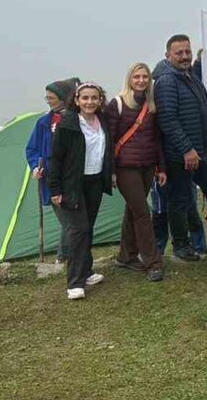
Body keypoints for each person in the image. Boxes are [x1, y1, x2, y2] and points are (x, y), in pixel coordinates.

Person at [154, 34, 207, 262]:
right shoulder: (166, 81)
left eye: (188, 51)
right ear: (168, 56)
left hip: (203, 149)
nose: (185, 56)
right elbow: (168, 120)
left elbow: (196, 70)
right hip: (181, 155)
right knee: (180, 200)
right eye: (179, 53)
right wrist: (187, 149)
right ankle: (181, 246)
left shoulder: (187, 75)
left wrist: (203, 59)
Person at [46, 83, 114, 300]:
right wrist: (55, 189)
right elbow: (56, 158)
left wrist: (109, 174)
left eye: (94, 98)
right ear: (76, 101)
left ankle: (86, 271)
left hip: (94, 182)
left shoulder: (103, 121)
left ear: (100, 100)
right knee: (78, 230)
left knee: (88, 228)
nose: (89, 102)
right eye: (85, 98)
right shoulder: (68, 124)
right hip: (72, 184)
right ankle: (74, 282)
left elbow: (108, 151)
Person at [105, 63, 167, 282]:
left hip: (148, 165)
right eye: (137, 76)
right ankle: (153, 262)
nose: (141, 80)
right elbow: (109, 140)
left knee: (133, 211)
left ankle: (126, 256)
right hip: (125, 167)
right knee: (142, 212)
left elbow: (156, 139)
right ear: (129, 79)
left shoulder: (151, 105)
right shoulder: (117, 104)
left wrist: (161, 168)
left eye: (145, 76)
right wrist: (111, 172)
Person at [24, 77, 79, 262]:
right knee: (68, 221)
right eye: (46, 97)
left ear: (63, 98)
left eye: (51, 97)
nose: (48, 101)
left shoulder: (76, 119)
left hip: (72, 177)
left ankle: (63, 257)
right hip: (51, 179)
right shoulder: (43, 123)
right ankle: (63, 257)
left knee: (71, 221)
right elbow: (32, 149)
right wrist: (35, 167)